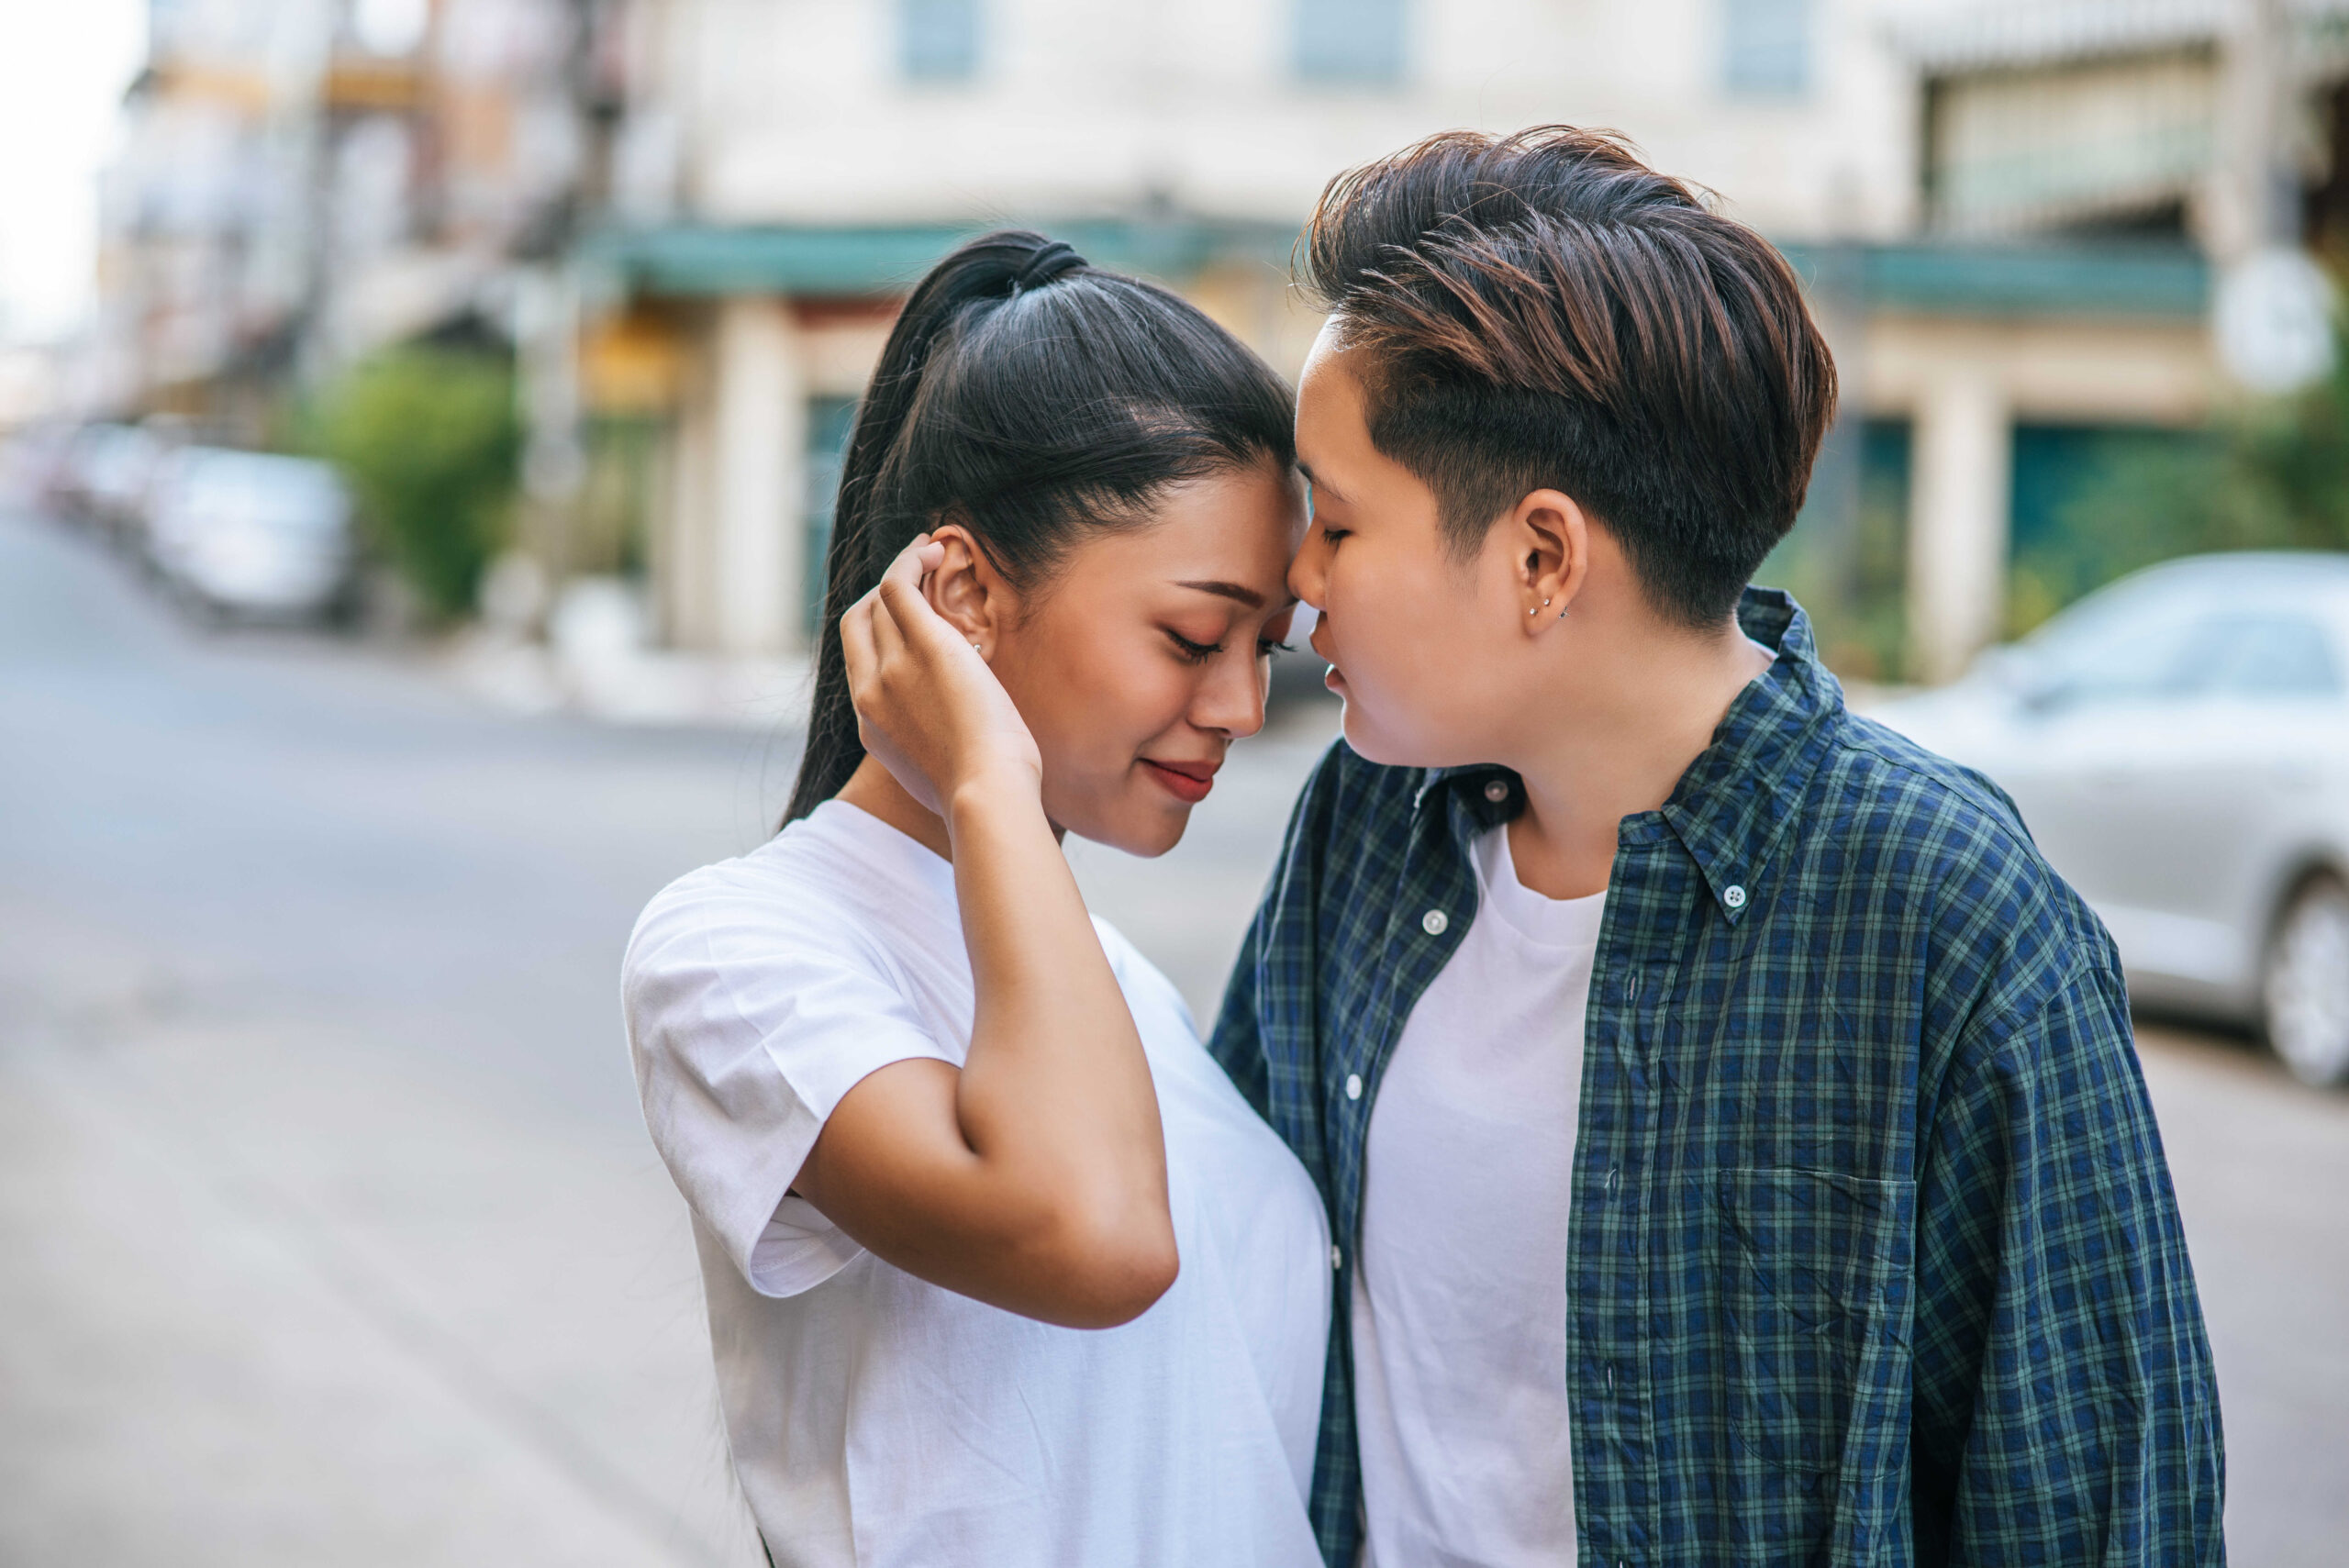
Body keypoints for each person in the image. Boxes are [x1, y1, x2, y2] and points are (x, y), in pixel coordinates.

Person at [1209, 128, 2227, 1567]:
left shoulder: (1947, 916)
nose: (1294, 584)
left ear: (1541, 560)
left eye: (1340, 521)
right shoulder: (1369, 823)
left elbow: (2106, 1514)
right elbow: (1206, 1252)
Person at [621, 230, 1330, 1568]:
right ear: (960, 594)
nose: (1240, 705)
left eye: (1263, 650)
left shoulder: (1117, 994)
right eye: (1192, 636)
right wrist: (989, 780)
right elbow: (1094, 1237)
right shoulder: (735, 952)